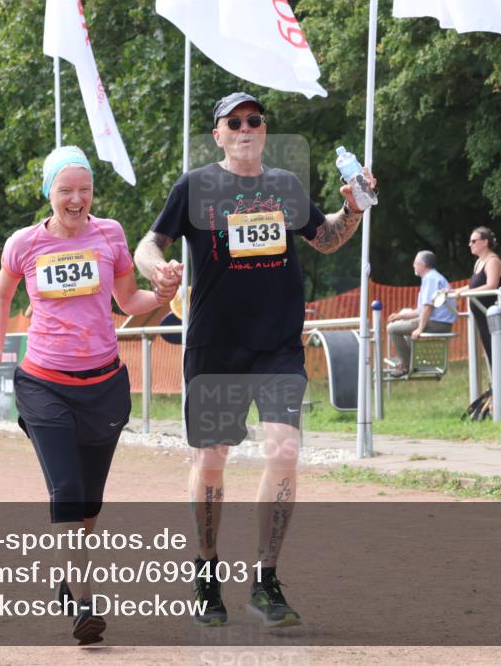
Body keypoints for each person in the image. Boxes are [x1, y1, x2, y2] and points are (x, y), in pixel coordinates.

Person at [134, 92, 376, 628]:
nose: (246, 128)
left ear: (264, 130)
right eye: (235, 122)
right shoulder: (194, 186)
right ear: (218, 134)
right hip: (215, 346)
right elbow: (148, 244)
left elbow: (326, 237)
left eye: (255, 120)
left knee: (284, 450)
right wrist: (157, 268)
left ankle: (266, 580)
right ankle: (206, 574)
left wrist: (354, 208)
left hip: (277, 345)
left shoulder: (285, 186)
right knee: (211, 460)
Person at [0, 146, 180, 645]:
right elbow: (0, 293)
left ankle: (69, 579)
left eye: (84, 189)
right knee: (66, 490)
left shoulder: (110, 235)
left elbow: (128, 300)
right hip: (44, 384)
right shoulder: (24, 243)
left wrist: (164, 294)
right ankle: (86, 603)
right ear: (49, 191)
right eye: (65, 189)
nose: (76, 198)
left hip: (104, 386)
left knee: (89, 502)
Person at [450, 226, 501, 368]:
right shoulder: (479, 262)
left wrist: (465, 294)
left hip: (496, 314)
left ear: (485, 242)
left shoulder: (492, 261)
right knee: (491, 351)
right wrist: (454, 291)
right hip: (483, 314)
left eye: (473, 241)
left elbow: (491, 285)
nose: (470, 244)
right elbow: (473, 286)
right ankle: (497, 380)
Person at [386, 250, 457, 376]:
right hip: (438, 321)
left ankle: (406, 365)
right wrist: (400, 316)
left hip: (437, 323)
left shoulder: (430, 279)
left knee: (392, 329)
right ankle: (410, 361)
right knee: (402, 319)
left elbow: (428, 307)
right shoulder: (431, 277)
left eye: (415, 263)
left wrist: (419, 328)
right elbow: (420, 311)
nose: (413, 265)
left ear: (423, 265)